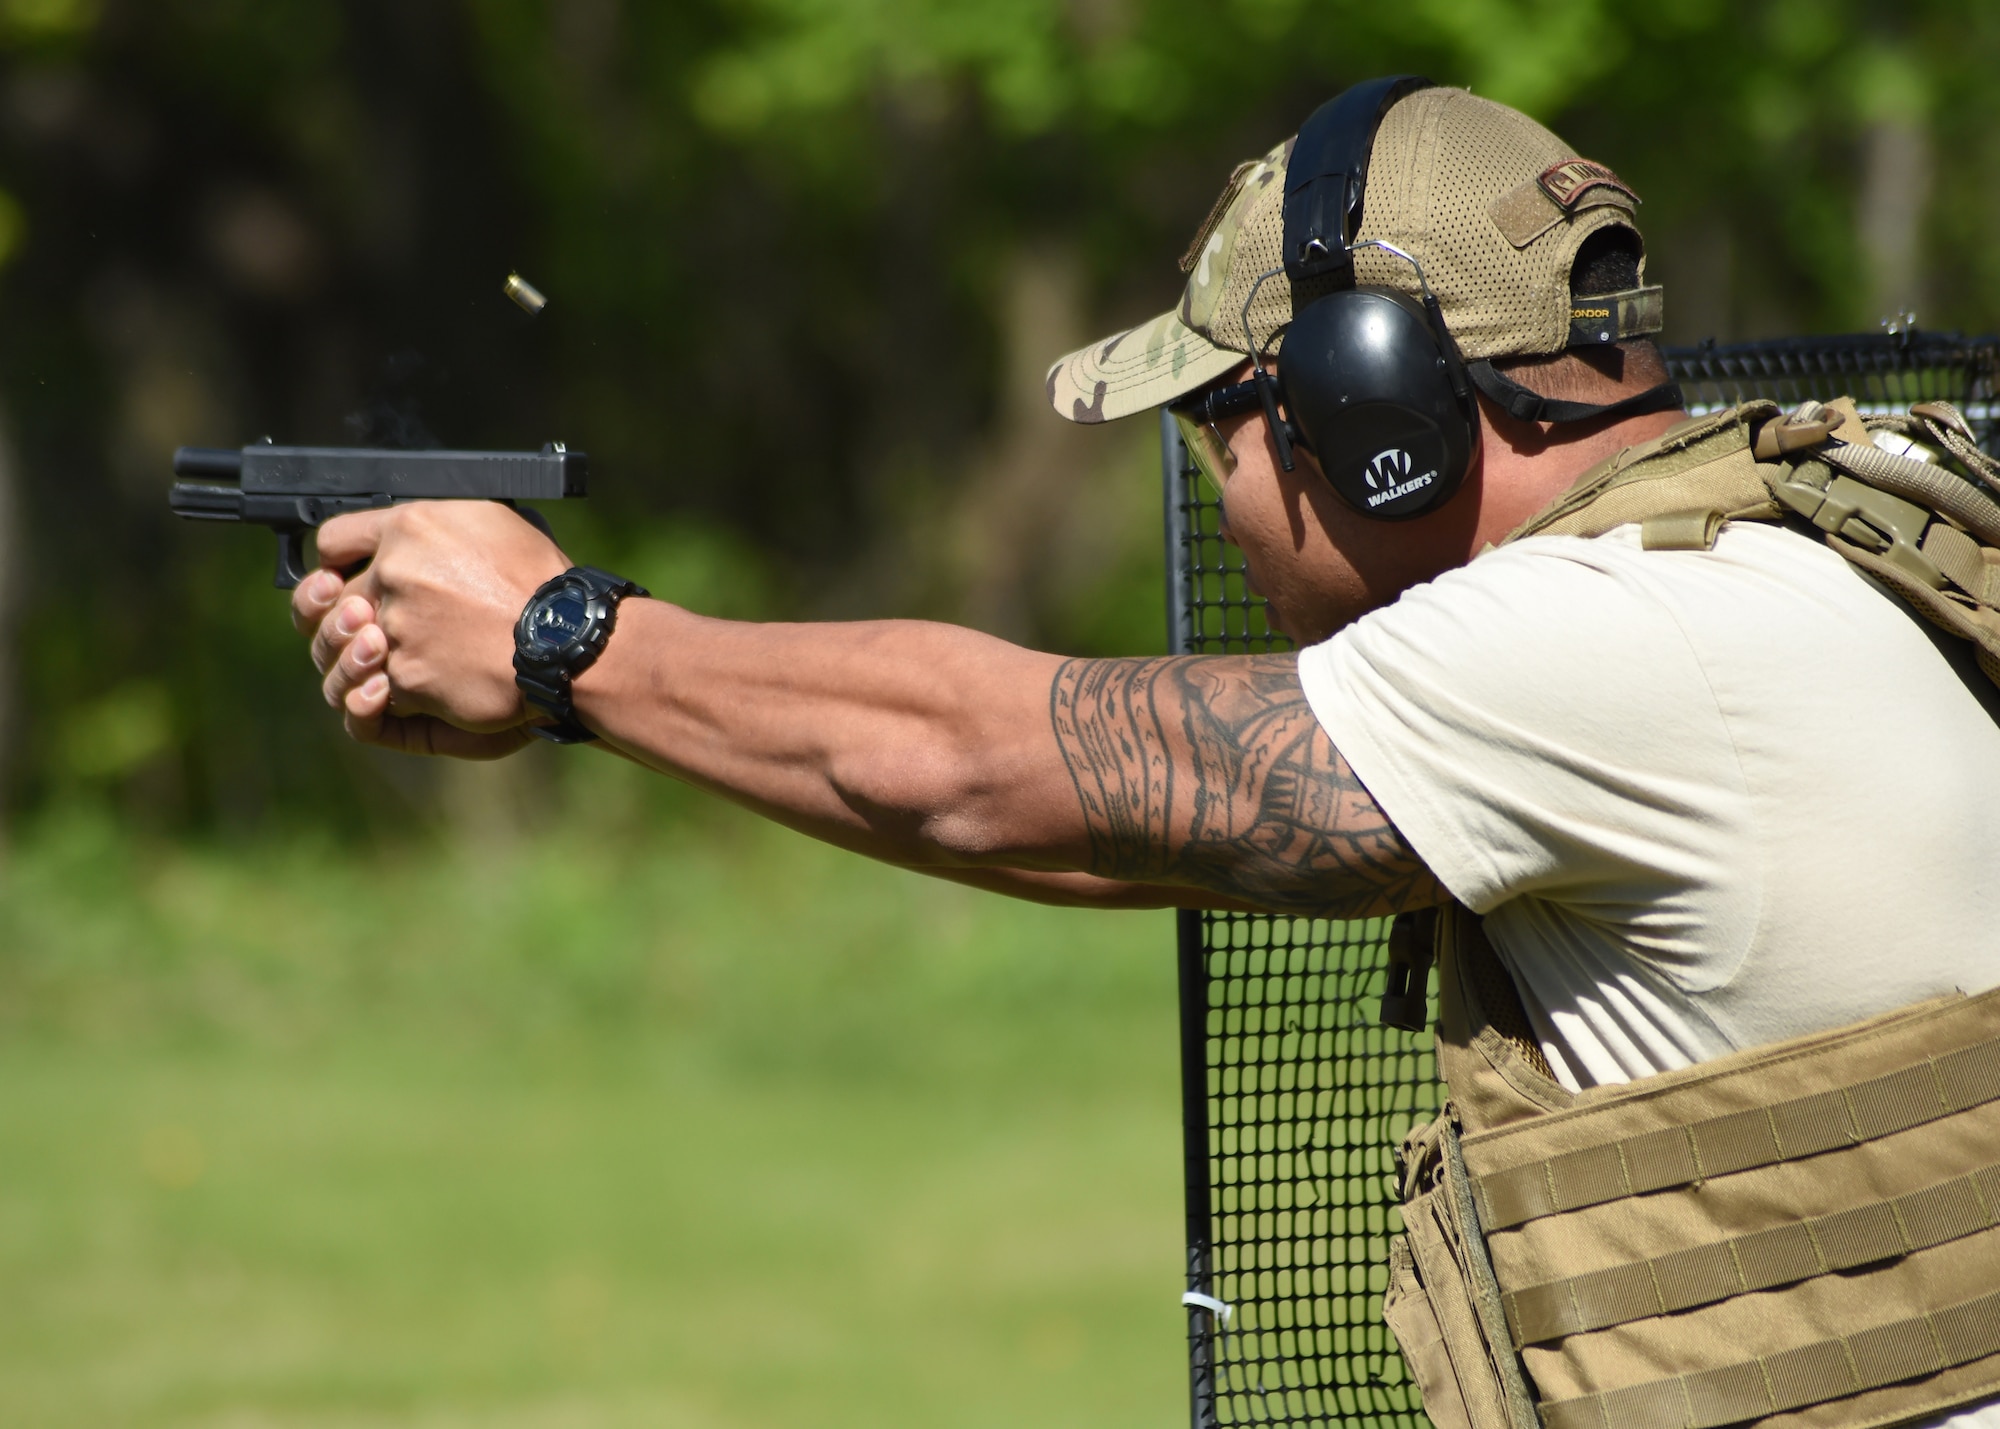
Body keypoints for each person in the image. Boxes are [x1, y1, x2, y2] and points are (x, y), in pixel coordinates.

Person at [295, 81, 2000, 1429]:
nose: (1219, 502)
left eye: (1219, 428)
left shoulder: (1605, 644)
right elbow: (1123, 831)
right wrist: (600, 698)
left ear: (1376, 410)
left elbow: (986, 761)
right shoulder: (1826, 540)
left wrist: (564, 634)